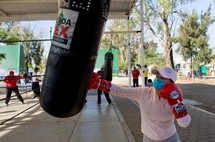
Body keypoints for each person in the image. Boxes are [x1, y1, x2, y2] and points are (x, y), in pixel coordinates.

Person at [89, 66, 191, 142]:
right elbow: (121, 90)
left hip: (170, 138)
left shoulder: (175, 99)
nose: (157, 79)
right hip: (148, 138)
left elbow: (184, 123)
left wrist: (176, 103)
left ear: (171, 83)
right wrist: (99, 84)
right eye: (157, 76)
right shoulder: (144, 92)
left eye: (162, 78)